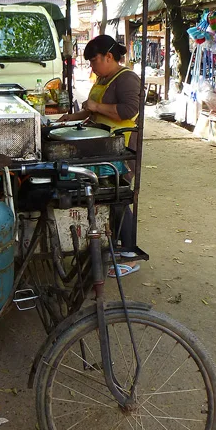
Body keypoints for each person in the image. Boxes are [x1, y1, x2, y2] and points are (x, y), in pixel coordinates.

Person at [60, 34, 141, 265]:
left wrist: (96, 106)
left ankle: (129, 252)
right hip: (103, 145)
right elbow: (91, 111)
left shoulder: (127, 78)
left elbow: (128, 111)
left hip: (122, 146)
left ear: (108, 56)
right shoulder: (103, 78)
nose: (93, 67)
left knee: (119, 195)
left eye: (94, 60)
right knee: (105, 194)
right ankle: (110, 244)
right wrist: (70, 118)